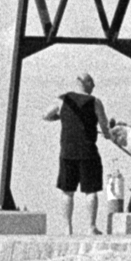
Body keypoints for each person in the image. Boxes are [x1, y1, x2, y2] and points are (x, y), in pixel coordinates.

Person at [43, 71, 108, 234]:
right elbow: (104, 127)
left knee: (67, 192)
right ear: (84, 83)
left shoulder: (63, 100)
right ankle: (91, 227)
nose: (94, 85)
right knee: (91, 191)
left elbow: (45, 115)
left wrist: (59, 118)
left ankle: (67, 228)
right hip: (88, 152)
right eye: (91, 82)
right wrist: (108, 134)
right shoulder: (95, 102)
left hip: (67, 152)